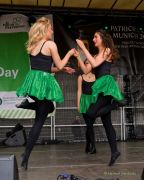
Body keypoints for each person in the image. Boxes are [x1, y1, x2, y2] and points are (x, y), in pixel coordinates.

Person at [16, 17, 75, 170]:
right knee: (40, 121)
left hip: (34, 81)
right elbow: (60, 63)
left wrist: (63, 69)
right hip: (42, 83)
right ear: (44, 30)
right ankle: (26, 155)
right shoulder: (50, 44)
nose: (52, 31)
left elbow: (46, 67)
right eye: (50, 29)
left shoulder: (34, 45)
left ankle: (29, 103)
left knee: (48, 109)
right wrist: (69, 54)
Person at [75, 29, 124, 166]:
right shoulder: (96, 54)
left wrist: (84, 47)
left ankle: (114, 104)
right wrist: (79, 56)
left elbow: (96, 64)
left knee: (90, 113)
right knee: (107, 123)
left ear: (102, 38)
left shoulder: (107, 50)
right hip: (100, 88)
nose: (93, 39)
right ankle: (114, 152)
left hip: (106, 87)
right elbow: (86, 70)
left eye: (96, 37)